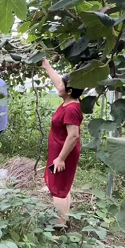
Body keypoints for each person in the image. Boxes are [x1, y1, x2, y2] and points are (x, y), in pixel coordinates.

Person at [41, 58, 84, 228]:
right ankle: (63, 220)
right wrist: (47, 65)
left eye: (62, 86)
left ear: (69, 90)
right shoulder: (69, 100)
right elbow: (59, 81)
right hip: (60, 151)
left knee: (58, 189)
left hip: (63, 153)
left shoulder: (72, 109)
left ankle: (58, 226)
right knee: (63, 186)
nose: (58, 86)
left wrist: (60, 158)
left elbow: (73, 136)